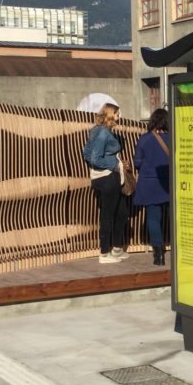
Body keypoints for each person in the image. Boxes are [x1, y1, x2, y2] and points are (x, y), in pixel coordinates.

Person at [83, 102, 130, 264]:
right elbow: (95, 158)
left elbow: (86, 153)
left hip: (107, 177)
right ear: (110, 114)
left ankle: (116, 248)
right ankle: (104, 253)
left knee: (122, 212)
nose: (119, 116)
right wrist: (115, 165)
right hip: (108, 177)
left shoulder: (97, 131)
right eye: (117, 113)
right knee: (108, 215)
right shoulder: (103, 133)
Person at [133, 109, 170, 266]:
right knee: (173, 217)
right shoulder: (173, 138)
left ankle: (158, 255)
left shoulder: (145, 139)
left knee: (153, 218)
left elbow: (137, 163)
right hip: (169, 183)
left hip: (150, 184)